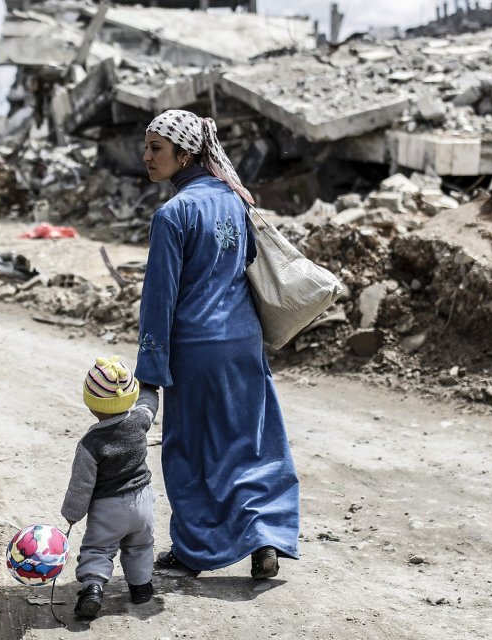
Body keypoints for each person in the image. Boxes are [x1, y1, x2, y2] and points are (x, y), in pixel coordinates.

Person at [136, 109, 300, 579]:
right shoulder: (234, 200)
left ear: (185, 154)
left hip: (196, 349)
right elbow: (246, 263)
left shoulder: (172, 214)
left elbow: (159, 299)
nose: (146, 157)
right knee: (252, 443)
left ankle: (194, 550)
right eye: (146, 147)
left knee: (191, 450)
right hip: (244, 344)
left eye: (156, 148)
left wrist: (150, 371)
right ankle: (265, 535)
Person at [61, 355, 160, 618]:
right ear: (131, 397)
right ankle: (141, 588)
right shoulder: (139, 421)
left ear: (90, 403)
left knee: (98, 549)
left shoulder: (91, 442)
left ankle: (93, 588)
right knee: (140, 546)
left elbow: (81, 485)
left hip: (108, 508)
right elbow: (149, 405)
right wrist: (150, 388)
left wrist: (72, 515)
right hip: (142, 502)